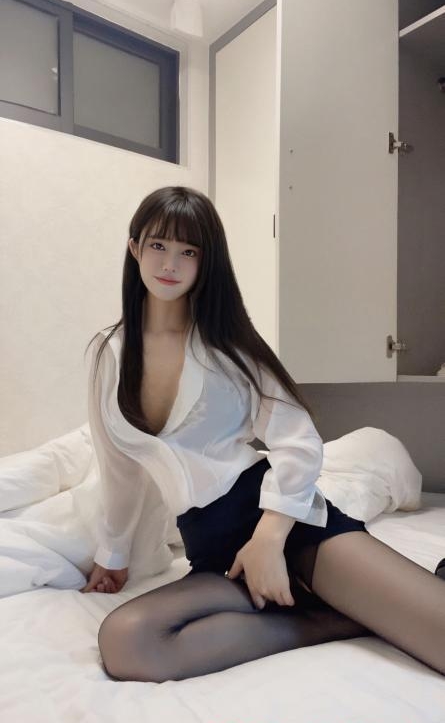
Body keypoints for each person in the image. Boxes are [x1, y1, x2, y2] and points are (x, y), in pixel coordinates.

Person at [81, 185, 445, 683]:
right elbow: (119, 468)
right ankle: (336, 618)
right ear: (135, 248)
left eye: (189, 251)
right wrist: (113, 555)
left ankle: (356, 600)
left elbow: (299, 441)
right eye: (158, 245)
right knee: (129, 643)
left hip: (286, 523)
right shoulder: (110, 354)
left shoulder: (229, 345)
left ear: (206, 262)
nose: (170, 263)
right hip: (213, 551)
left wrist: (269, 541)